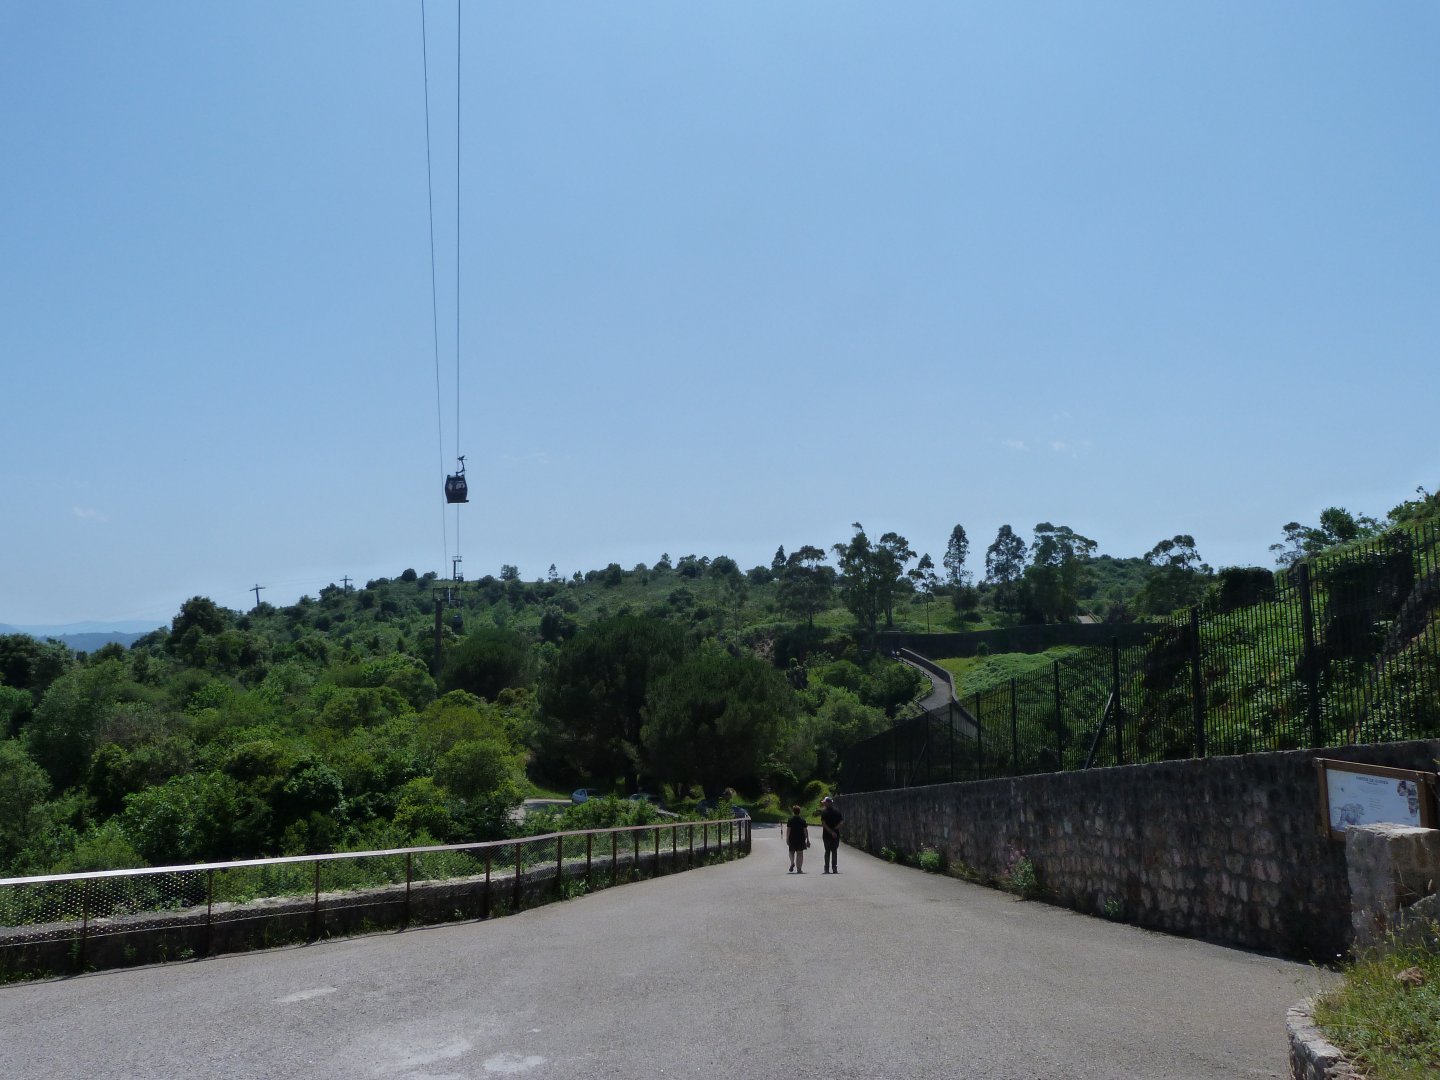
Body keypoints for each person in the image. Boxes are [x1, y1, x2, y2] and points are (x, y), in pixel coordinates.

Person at [819, 795, 843, 874]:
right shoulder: (838, 812)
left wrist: (830, 832)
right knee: (834, 851)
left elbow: (824, 824)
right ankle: (834, 868)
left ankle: (826, 868)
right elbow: (841, 823)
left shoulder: (824, 812)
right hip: (836, 835)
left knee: (827, 851)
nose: (824, 804)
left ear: (828, 803)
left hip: (826, 835)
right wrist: (834, 831)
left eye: (825, 802)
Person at [785, 804, 810, 873]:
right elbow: (805, 830)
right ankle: (799, 869)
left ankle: (792, 862)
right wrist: (807, 839)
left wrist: (787, 839)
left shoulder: (790, 820)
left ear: (793, 812)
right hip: (801, 839)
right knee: (800, 853)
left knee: (791, 852)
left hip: (792, 838)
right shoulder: (803, 820)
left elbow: (788, 830)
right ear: (799, 812)